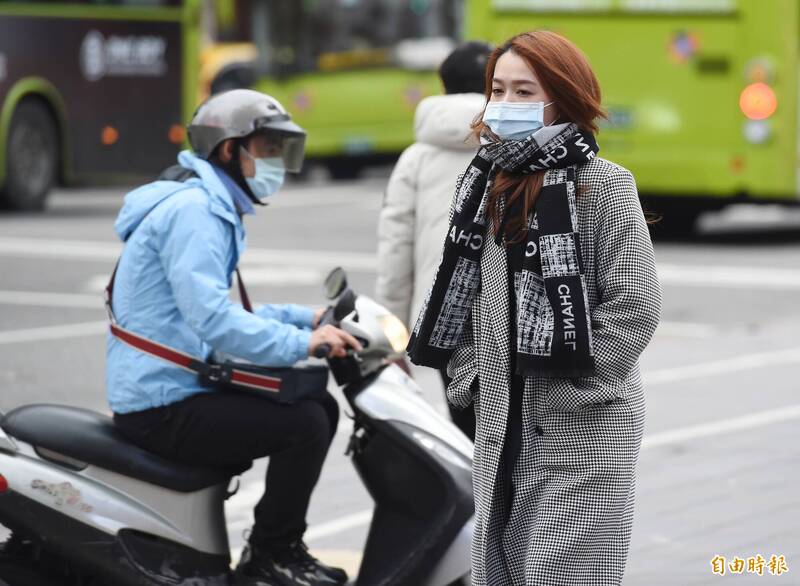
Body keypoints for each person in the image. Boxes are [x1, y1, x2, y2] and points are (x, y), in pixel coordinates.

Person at [407, 31, 662, 585]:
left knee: (561, 572)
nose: (506, 104)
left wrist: (568, 383)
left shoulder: (605, 187)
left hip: (583, 426)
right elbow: (463, 296)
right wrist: (469, 377)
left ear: (563, 98)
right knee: (503, 567)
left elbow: (634, 308)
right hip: (502, 418)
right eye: (498, 89)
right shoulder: (483, 183)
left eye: (525, 91)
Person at [106, 89, 361, 586]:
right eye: (267, 150)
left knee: (316, 404)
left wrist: (302, 319)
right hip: (161, 404)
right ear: (229, 150)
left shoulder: (204, 203)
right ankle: (270, 554)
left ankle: (276, 546)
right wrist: (302, 344)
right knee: (307, 421)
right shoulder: (195, 212)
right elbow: (215, 323)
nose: (276, 164)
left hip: (175, 385)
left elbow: (217, 311)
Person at [375, 41, 492, 442]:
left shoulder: (417, 157)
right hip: (509, 311)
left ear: (443, 86)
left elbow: (395, 250)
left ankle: (484, 502)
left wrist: (391, 340)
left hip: (445, 314)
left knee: (468, 431)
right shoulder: (520, 142)